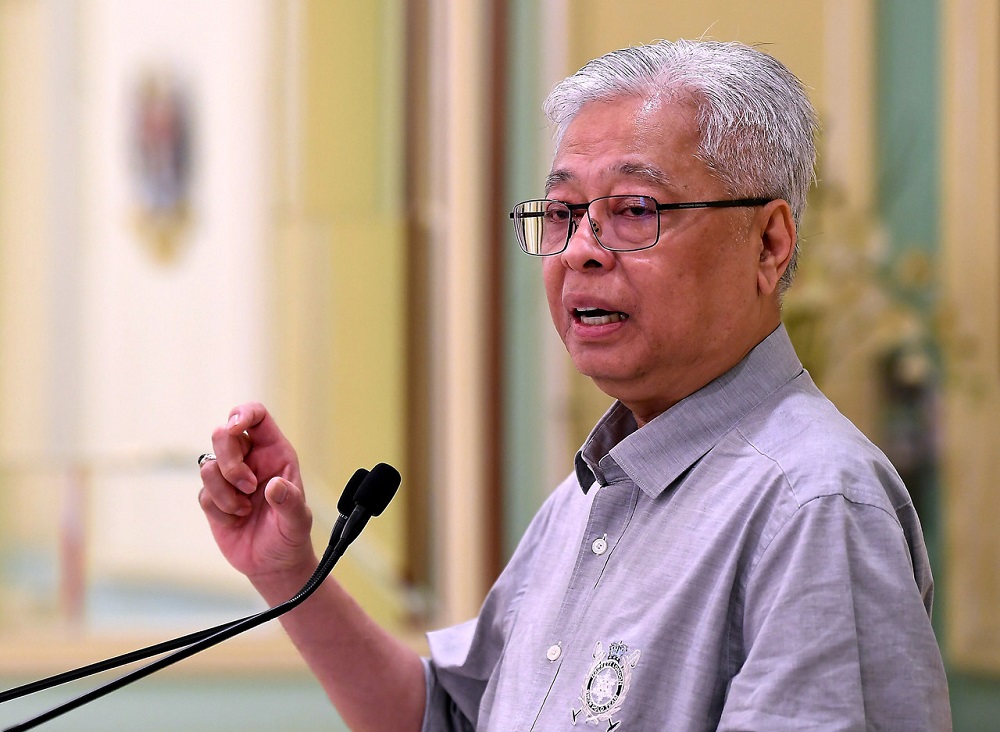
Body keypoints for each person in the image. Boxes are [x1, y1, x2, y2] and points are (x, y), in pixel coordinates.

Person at [198, 39, 951, 730]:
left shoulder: (811, 503)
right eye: (561, 214)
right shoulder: (593, 493)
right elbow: (448, 719)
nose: (582, 251)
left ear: (769, 241)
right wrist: (288, 571)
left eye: (633, 211)